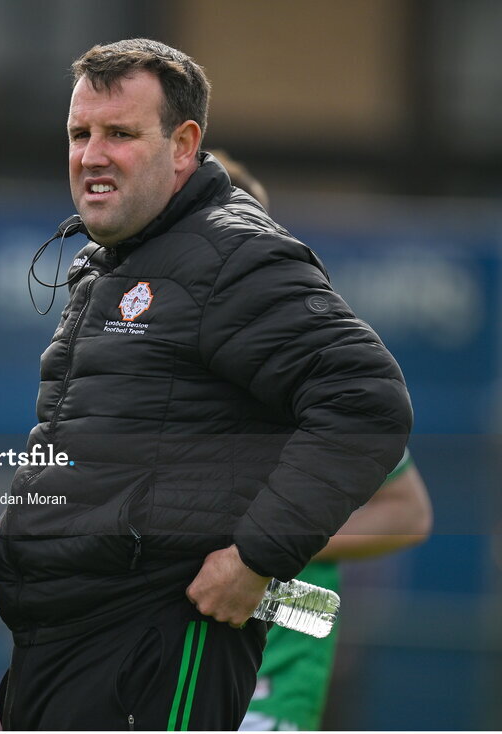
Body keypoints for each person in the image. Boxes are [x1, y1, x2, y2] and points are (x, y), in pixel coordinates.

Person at [0, 38, 413, 731]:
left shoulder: (233, 254)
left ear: (184, 144)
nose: (91, 154)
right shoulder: (116, 262)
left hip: (154, 650)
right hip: (64, 648)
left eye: (120, 133)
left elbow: (366, 402)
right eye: (79, 133)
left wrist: (255, 557)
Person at [210, 150, 434, 731]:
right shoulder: (136, 359)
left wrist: (270, 546)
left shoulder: (305, 370)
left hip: (271, 689)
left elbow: (408, 513)